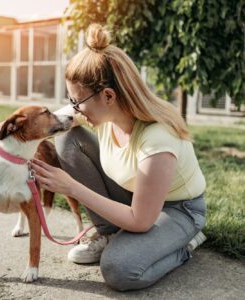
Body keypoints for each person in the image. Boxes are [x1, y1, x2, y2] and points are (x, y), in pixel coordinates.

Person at [31, 23, 207, 291]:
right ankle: (110, 232)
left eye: (77, 101)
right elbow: (59, 121)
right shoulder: (106, 111)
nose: (74, 107)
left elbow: (141, 219)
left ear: (108, 96)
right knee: (67, 136)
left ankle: (184, 245)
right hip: (137, 196)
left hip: (178, 210)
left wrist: (70, 186)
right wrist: (10, 144)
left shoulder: (159, 138)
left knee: (120, 270)